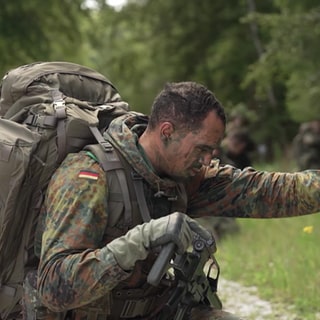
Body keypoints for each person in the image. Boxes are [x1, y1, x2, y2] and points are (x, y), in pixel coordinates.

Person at [23, 82, 320, 320]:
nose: (207, 160)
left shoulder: (182, 175)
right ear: (167, 132)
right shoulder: (89, 176)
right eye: (202, 148)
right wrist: (139, 241)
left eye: (213, 150)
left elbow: (264, 191)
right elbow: (53, 288)